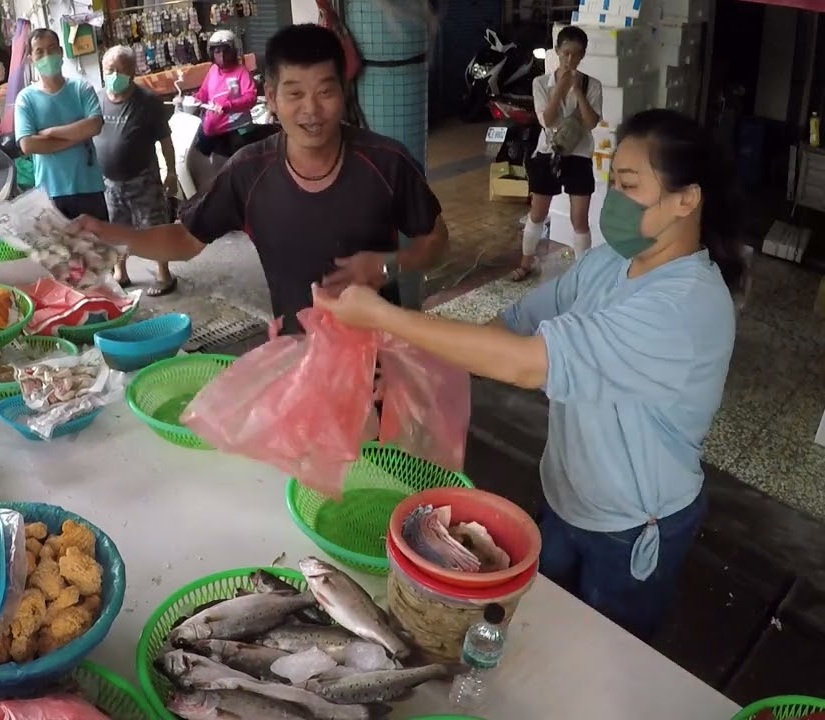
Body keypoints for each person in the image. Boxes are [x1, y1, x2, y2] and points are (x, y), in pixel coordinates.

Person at [315, 109, 744, 640]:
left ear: (685, 199)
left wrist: (384, 316)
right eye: (613, 182)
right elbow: (513, 326)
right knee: (538, 635)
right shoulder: (608, 265)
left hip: (632, 524)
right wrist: (410, 363)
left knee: (604, 656)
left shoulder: (683, 307)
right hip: (566, 496)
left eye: (629, 186)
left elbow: (525, 362)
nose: (611, 201)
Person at [74, 24, 449, 335]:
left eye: (325, 91)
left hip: (380, 359)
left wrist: (388, 265)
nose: (312, 110)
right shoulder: (249, 170)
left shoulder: (386, 161)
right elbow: (186, 238)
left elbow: (436, 242)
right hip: (294, 360)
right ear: (270, 96)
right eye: (295, 93)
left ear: (343, 92)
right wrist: (112, 236)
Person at [512, 25, 603, 281]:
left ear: (583, 55)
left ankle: (581, 270)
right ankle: (526, 261)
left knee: (579, 219)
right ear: (557, 52)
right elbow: (547, 120)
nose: (570, 60)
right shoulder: (540, 83)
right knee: (538, 213)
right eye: (565, 54)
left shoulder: (592, 85)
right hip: (547, 153)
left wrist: (577, 92)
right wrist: (560, 90)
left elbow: (591, 123)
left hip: (580, 155)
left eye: (576, 55)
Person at [94, 45, 179, 296]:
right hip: (110, 182)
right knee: (117, 229)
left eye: (121, 69)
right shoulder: (97, 100)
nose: (114, 74)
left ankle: (164, 275)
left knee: (153, 228)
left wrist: (171, 172)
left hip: (142, 178)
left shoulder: (147, 101)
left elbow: (165, 140)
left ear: (132, 71)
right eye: (110, 69)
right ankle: (121, 273)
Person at [15, 28, 107, 221]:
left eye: (51, 49)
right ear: (31, 59)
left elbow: (95, 125)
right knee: (60, 251)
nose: (47, 55)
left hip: (88, 187)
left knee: (99, 249)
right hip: (50, 193)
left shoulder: (81, 88)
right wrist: (77, 136)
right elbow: (28, 145)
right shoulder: (26, 98)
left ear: (61, 52)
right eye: (39, 51)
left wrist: (49, 133)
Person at [193, 30, 259, 161]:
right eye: (217, 51)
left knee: (239, 163)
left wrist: (228, 105)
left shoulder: (241, 72)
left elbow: (251, 97)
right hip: (212, 129)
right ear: (211, 53)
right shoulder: (213, 71)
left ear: (234, 51)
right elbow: (203, 93)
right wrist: (191, 100)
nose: (222, 55)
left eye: (226, 51)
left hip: (237, 128)